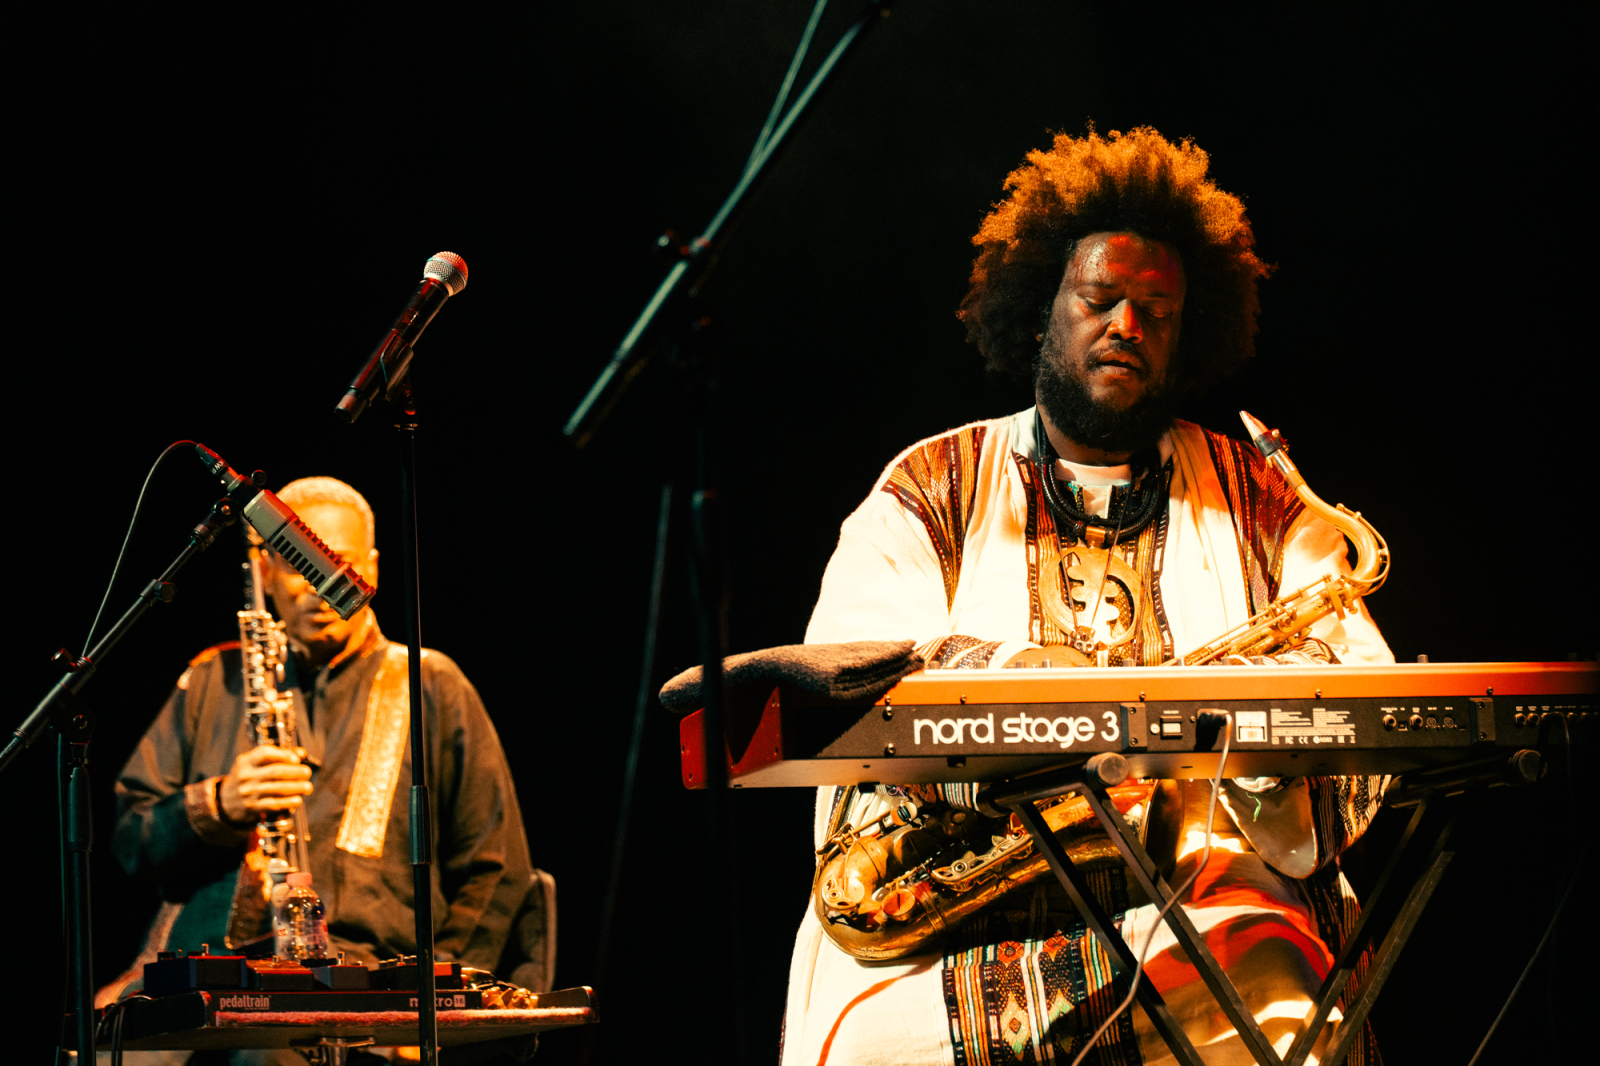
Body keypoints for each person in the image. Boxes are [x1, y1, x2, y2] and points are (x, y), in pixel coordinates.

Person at [779, 128, 1391, 1065]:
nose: (1128, 326)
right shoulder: (929, 487)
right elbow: (848, 671)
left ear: (1187, 336)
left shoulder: (1264, 497)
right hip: (957, 934)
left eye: (1158, 310)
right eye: (1100, 300)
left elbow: (1358, 686)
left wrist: (1231, 746)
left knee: (1275, 990)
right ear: (1040, 312)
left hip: (1210, 905)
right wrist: (1030, 678)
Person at [107, 477, 553, 1012]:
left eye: (338, 563)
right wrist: (219, 805)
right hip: (206, 982)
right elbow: (131, 839)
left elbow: (495, 870)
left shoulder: (429, 682)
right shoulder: (211, 679)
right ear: (266, 573)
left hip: (366, 994)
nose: (320, 584)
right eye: (300, 564)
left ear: (373, 569)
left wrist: (437, 1004)